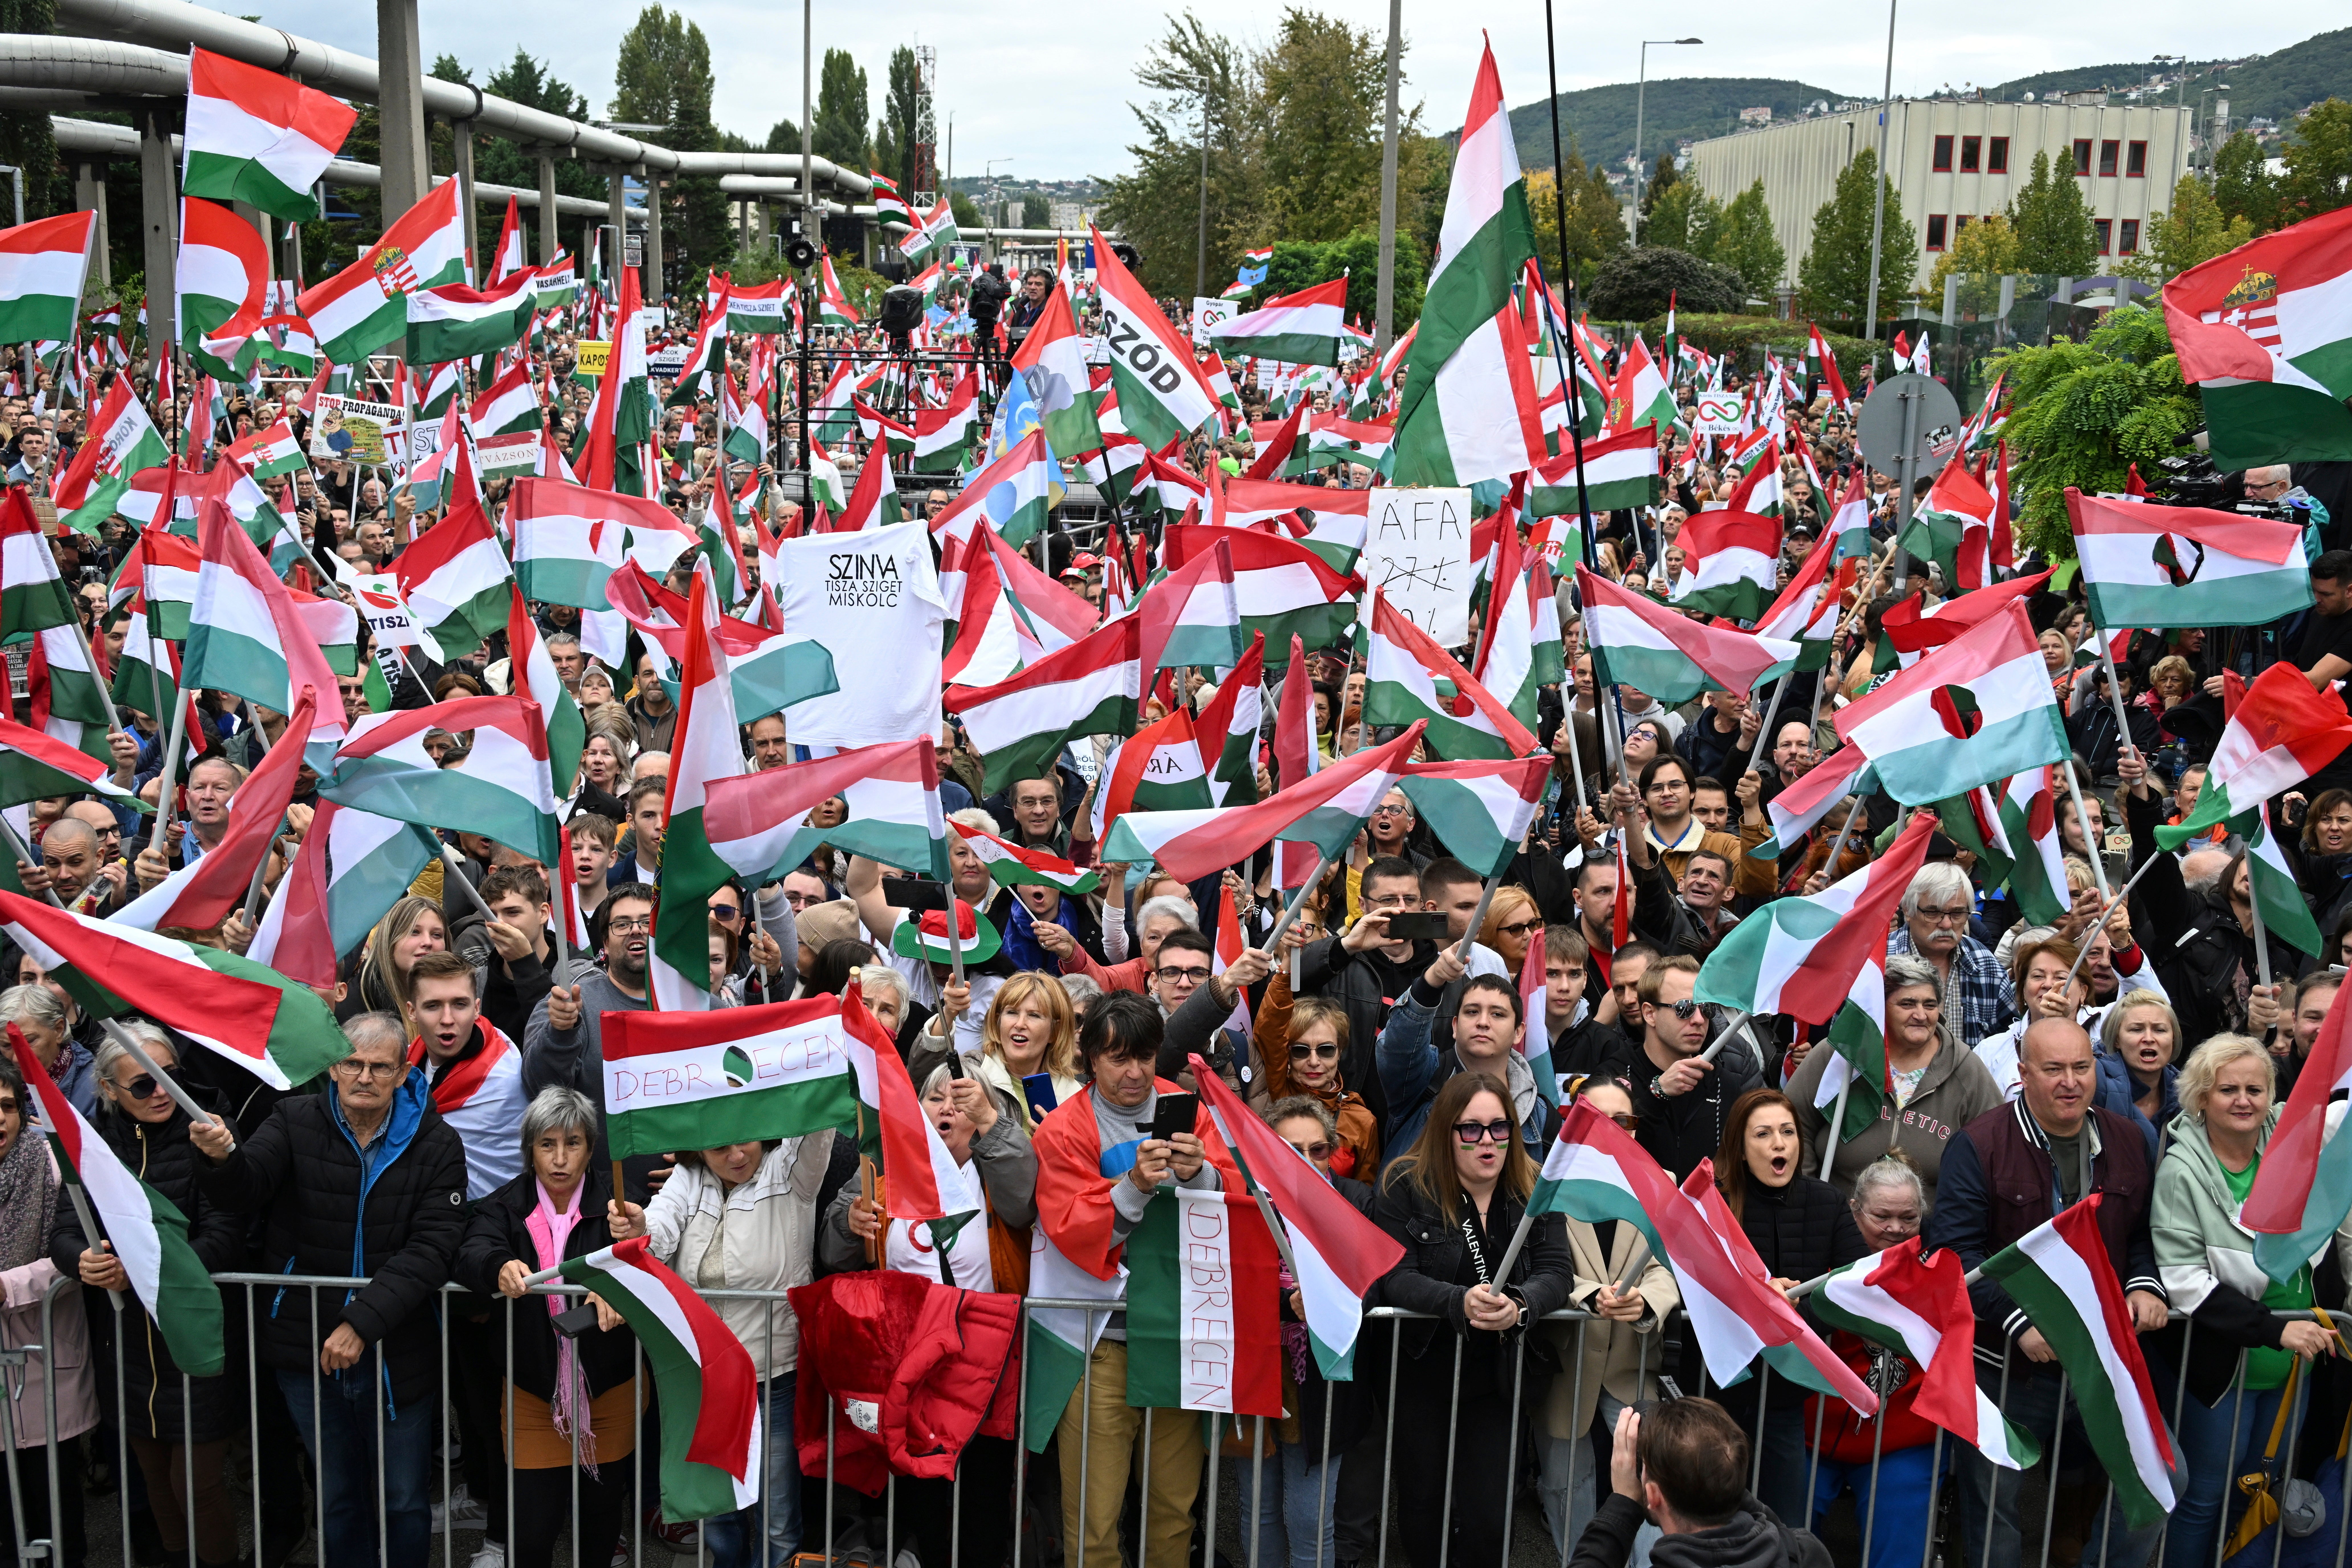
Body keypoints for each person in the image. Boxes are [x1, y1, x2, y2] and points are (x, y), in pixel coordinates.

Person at [190, 1013, 469, 1568]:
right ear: (334, 1067)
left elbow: (433, 1249)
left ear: (402, 1070)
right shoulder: (293, 1119)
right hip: (306, 1348)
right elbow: (246, 1191)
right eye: (352, 1064)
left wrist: (360, 1322)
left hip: (398, 1352)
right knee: (338, 1498)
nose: (364, 1076)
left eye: (379, 1066)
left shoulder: (437, 1142)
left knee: (404, 1500)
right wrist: (220, 1159)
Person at [1924, 1018, 2169, 1568]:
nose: (2070, 1081)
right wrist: (2019, 1321)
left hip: (2102, 1357)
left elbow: (2141, 1235)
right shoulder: (1979, 1144)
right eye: (2054, 1068)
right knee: (1996, 1509)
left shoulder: (2128, 1137)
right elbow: (1954, 1255)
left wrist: (2145, 1283)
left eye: (2081, 1067)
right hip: (2008, 1364)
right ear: (2024, 1073)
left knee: (2159, 1474)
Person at [1032, 992, 1242, 1568]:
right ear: (1091, 1058)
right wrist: (1133, 1188)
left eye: (1146, 1056)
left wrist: (1201, 1173)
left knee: (1174, 1518)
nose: (1135, 1072)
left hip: (1178, 1340)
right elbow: (1069, 1227)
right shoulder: (1062, 1127)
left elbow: (1240, 1200)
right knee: (1093, 1526)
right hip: (1099, 1346)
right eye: (1119, 1057)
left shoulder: (1190, 1109)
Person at [818, 1062, 1036, 1568]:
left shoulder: (994, 1169)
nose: (946, 1108)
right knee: (920, 1491)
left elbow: (1023, 1203)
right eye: (935, 1098)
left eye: (961, 1100)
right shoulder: (885, 1163)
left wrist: (995, 1129)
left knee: (982, 1489)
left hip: (983, 1357)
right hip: (908, 1359)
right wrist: (849, 1224)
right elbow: (833, 1252)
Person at [609, 1116, 834, 1568]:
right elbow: (659, 1230)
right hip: (707, 1379)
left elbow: (817, 1121)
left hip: (773, 1376)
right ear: (698, 1150)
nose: (736, 1156)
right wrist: (637, 1230)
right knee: (717, 1512)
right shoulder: (689, 1180)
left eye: (745, 1140)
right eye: (718, 1148)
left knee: (777, 1520)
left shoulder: (790, 1170)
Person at [1373, 1071, 1575, 1568]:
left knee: (1490, 1518)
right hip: (1423, 1374)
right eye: (1472, 1129)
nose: (1487, 1140)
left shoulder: (1535, 1187)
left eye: (1499, 1127)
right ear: (1446, 1130)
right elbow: (1394, 1276)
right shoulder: (1405, 1183)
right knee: (1424, 1511)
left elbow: (1557, 1269)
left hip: (1498, 1379)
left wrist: (1522, 1304)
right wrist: (1457, 1300)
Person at [2152, 1034, 2339, 1568]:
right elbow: (2183, 1280)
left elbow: (2335, 1115)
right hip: (2221, 1369)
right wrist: (2274, 1328)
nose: (2243, 1099)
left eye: (2254, 1088)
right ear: (2201, 1097)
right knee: (2204, 1498)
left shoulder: (2287, 1143)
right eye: (2226, 1088)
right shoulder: (2179, 1171)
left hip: (2291, 1365)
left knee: (2255, 1491)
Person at [453, 1088, 638, 1568]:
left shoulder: (620, 1210)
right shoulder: (502, 1205)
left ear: (591, 1148)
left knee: (600, 1518)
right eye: (546, 1144)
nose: (560, 1158)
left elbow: (651, 1260)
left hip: (609, 1387)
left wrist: (623, 1279)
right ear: (529, 1148)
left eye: (573, 1143)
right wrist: (496, 1263)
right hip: (533, 1388)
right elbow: (472, 1249)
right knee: (532, 1529)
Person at [1695, 1089, 1867, 1527]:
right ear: (1740, 1146)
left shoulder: (1826, 1201)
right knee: (1713, 1520)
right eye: (1765, 1134)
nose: (1779, 1144)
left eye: (1788, 1133)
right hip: (1719, 1396)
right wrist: (1756, 1295)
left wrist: (1792, 1314)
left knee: (1785, 1523)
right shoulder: (1711, 1203)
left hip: (1785, 1397)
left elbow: (1857, 1287)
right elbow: (1692, 1287)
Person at [1539, 1079, 1680, 1562]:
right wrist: (1584, 1293)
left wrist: (1646, 1303)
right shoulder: (1545, 1182)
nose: (1613, 1129)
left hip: (1631, 1365)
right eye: (1598, 1118)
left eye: (1624, 1120)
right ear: (1575, 1123)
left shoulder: (1660, 1180)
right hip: (1566, 1365)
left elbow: (1669, 1267)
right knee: (1565, 1484)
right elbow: (1540, 1264)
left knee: (1649, 1483)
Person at [1803, 1158, 1939, 1568]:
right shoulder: (1822, 1272)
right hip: (1814, 1435)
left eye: (1908, 1217)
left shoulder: (1939, 1276)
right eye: (1882, 1216)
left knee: (1899, 1544)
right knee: (1784, 1532)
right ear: (1854, 1210)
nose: (1895, 1228)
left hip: (1901, 1440)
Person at [1789, 954, 2003, 1205]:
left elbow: (1997, 1151)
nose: (1921, 1015)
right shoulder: (1840, 1055)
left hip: (1926, 1236)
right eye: (1908, 1004)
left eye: (1930, 1005)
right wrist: (1808, 1202)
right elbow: (1793, 1126)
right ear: (1881, 1007)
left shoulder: (1967, 1069)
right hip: (1835, 1226)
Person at [1, 1056, 93, 1568]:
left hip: (43, 1360)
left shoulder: (53, 1160)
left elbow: (74, 1251)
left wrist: (6, 1286)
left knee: (56, 1511)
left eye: (7, 1106)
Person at [1566, 1402, 1832, 1568]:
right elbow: (1777, 1528)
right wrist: (1714, 1472)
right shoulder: (1805, 1553)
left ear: (1654, 1496)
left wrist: (1623, 1500)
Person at [1376, 938, 1561, 1162]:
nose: (1483, 1022)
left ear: (1519, 1033)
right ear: (1455, 1026)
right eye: (1472, 1012)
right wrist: (1433, 979)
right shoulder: (1423, 1077)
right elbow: (1397, 1046)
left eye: (1498, 1014)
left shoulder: (1541, 1116)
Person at [1624, 956, 1764, 1180]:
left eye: (1706, 1008)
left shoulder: (1725, 1084)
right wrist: (1658, 1093)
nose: (1699, 1019)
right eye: (1684, 1008)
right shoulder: (1616, 1074)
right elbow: (1610, 1154)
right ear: (1650, 1014)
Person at [1887, 861, 2016, 1045]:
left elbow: (2010, 1040)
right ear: (1908, 910)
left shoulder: (1985, 963)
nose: (1947, 924)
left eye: (1957, 914)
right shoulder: (1878, 961)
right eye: (1933, 913)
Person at [341, 895, 449, 1021]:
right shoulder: (356, 1009)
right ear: (389, 940)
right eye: (414, 932)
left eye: (437, 935)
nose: (428, 942)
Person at [1, 981, 94, 1114]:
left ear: (59, 1030)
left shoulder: (98, 1089)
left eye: (29, 1042)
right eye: (6, 1046)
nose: (16, 1059)